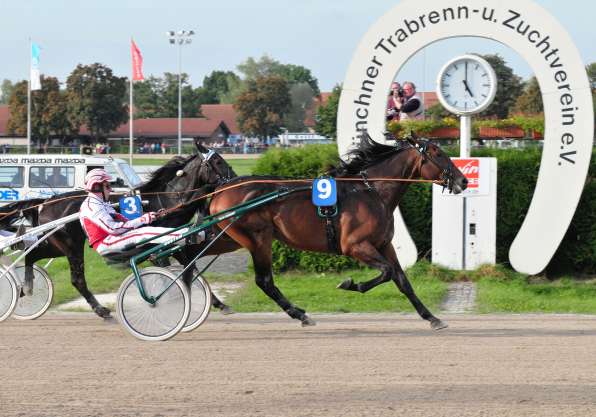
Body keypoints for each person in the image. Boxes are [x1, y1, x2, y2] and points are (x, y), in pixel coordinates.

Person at [79, 168, 205, 256]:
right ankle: (189, 236)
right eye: (107, 186)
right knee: (143, 233)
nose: (110, 189)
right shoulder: (92, 207)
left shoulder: (101, 203)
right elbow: (114, 229)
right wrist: (142, 220)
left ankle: (189, 234)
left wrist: (149, 217)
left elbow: (124, 221)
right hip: (105, 243)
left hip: (111, 238)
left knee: (145, 229)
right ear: (96, 187)